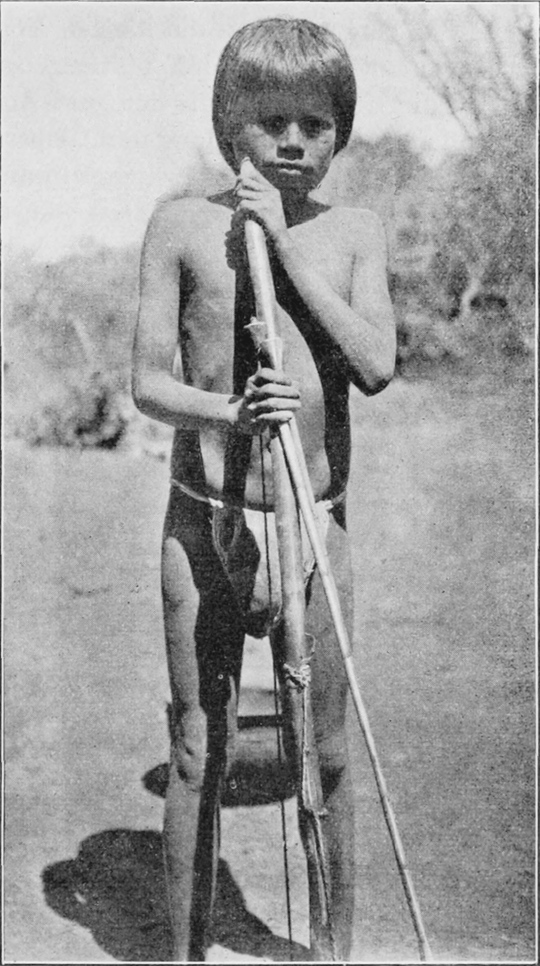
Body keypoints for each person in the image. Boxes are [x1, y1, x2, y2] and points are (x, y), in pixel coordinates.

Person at [132, 17, 395, 962]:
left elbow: (376, 366)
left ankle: (333, 953)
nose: (291, 142)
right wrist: (228, 412)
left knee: (326, 758)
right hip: (204, 525)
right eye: (269, 121)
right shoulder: (180, 225)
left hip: (314, 528)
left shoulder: (354, 232)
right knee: (196, 749)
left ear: (339, 133)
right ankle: (186, 953)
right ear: (228, 125)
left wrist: (283, 248)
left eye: (314, 125)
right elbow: (146, 383)